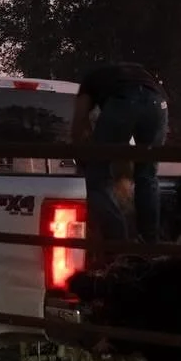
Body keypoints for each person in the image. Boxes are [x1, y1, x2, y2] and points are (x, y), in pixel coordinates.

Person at [70, 61, 170, 247]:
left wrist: (83, 158)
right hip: (158, 103)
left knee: (98, 177)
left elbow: (79, 122)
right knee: (147, 175)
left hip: (125, 101)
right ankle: (149, 243)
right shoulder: (132, 73)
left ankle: (118, 243)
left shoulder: (89, 81)